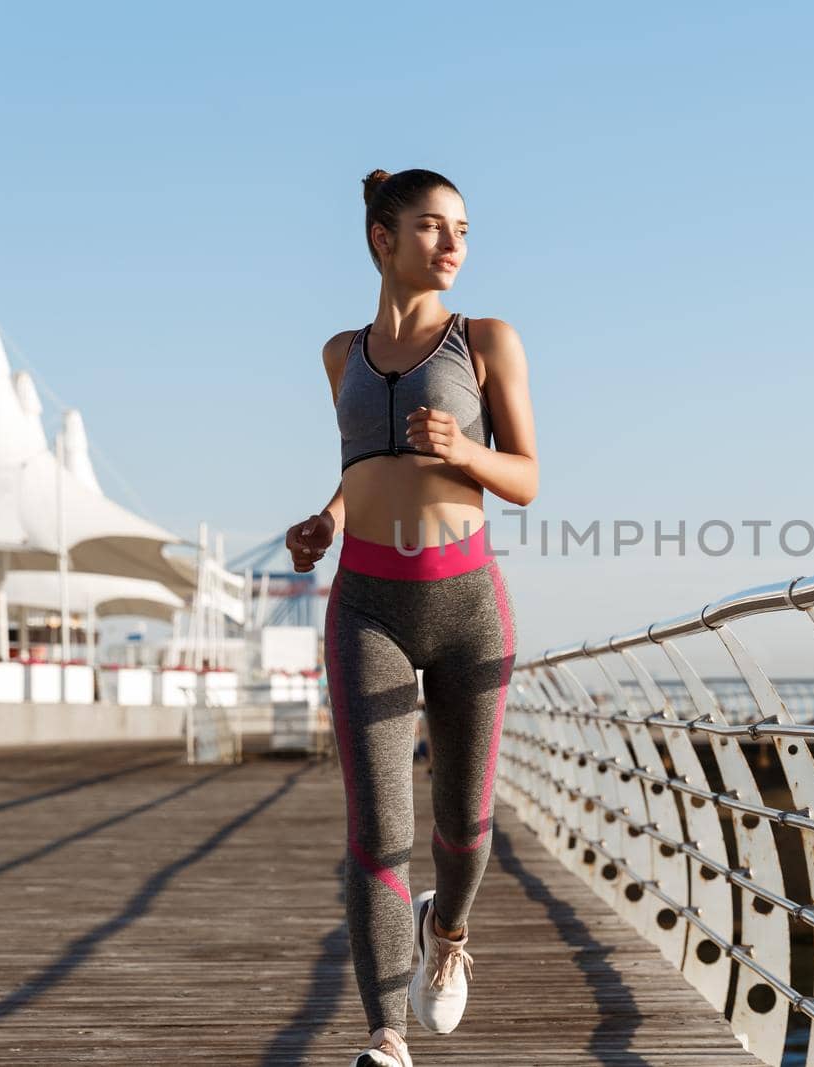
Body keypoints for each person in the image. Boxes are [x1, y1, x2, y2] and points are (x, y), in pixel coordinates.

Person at [284, 168, 538, 1067]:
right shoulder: (339, 355)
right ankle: (387, 1038)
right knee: (375, 832)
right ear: (381, 240)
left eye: (462, 228)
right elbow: (363, 466)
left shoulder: (486, 340)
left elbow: (528, 478)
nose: (454, 243)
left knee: (463, 826)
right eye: (432, 226)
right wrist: (328, 520)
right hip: (366, 606)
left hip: (467, 604)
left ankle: (450, 926)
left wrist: (466, 449)